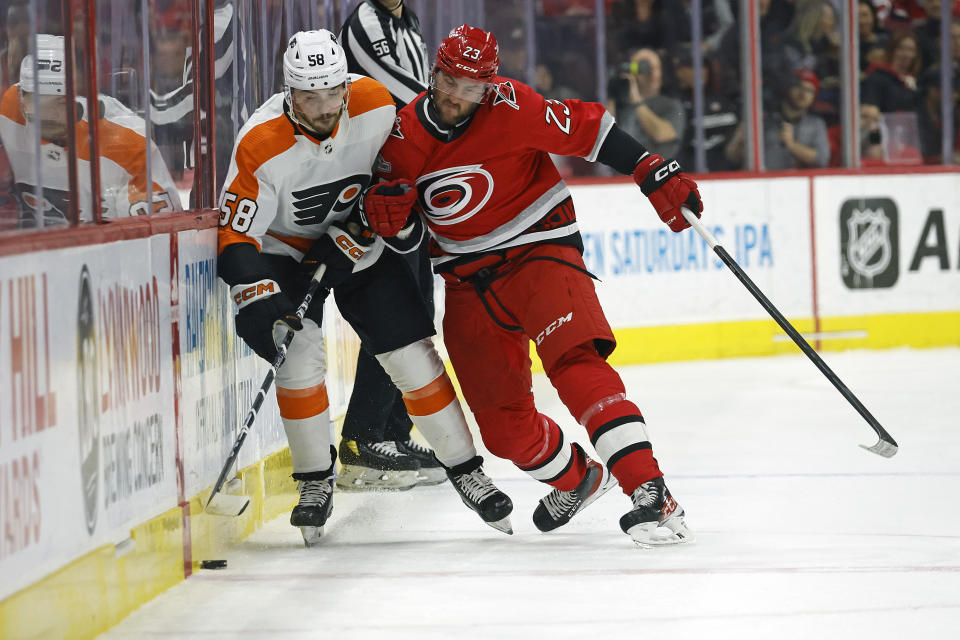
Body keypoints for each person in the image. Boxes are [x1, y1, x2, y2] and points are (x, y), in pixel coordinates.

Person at [362, 25, 697, 547]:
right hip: (468, 282)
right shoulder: (401, 137)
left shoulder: (514, 106)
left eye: (471, 89)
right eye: (449, 81)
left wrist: (648, 166)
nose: (455, 98)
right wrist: (392, 221)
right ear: (433, 73)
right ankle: (579, 478)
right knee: (502, 430)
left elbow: (591, 129)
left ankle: (650, 490)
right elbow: (404, 236)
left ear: (489, 86)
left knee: (576, 363)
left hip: (541, 249)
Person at [216, 29, 512, 545]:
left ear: (346, 86)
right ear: (289, 92)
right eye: (310, 96)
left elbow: (400, 175)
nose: (325, 107)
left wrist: (370, 224)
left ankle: (466, 469)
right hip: (284, 252)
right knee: (298, 350)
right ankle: (313, 482)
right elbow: (236, 238)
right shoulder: (259, 142)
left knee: (410, 351)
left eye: (333, 93)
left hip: (358, 241)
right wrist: (259, 294)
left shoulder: (375, 103)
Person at [337, 0, 444, 490]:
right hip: (378, 189)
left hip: (408, 183)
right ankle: (363, 438)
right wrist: (461, 115)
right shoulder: (364, 21)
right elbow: (407, 96)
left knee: (418, 308)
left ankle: (393, 432)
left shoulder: (407, 21)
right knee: (396, 312)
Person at [0, 34, 181, 226]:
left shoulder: (127, 142)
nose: (50, 119)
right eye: (38, 107)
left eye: (60, 104)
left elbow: (157, 239)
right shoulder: (8, 110)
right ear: (21, 98)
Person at [726, 68, 829, 169]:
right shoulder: (763, 120)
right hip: (764, 183)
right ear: (788, 88)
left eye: (810, 91)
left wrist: (792, 145)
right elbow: (733, 158)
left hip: (799, 184)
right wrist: (738, 142)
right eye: (799, 86)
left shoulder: (816, 124)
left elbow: (822, 159)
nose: (803, 94)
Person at [609, 48, 685, 159]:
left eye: (656, 68)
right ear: (632, 70)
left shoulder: (671, 105)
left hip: (656, 172)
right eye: (645, 68)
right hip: (620, 173)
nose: (652, 74)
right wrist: (610, 95)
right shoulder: (621, 103)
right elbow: (606, 137)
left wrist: (637, 101)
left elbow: (662, 134)